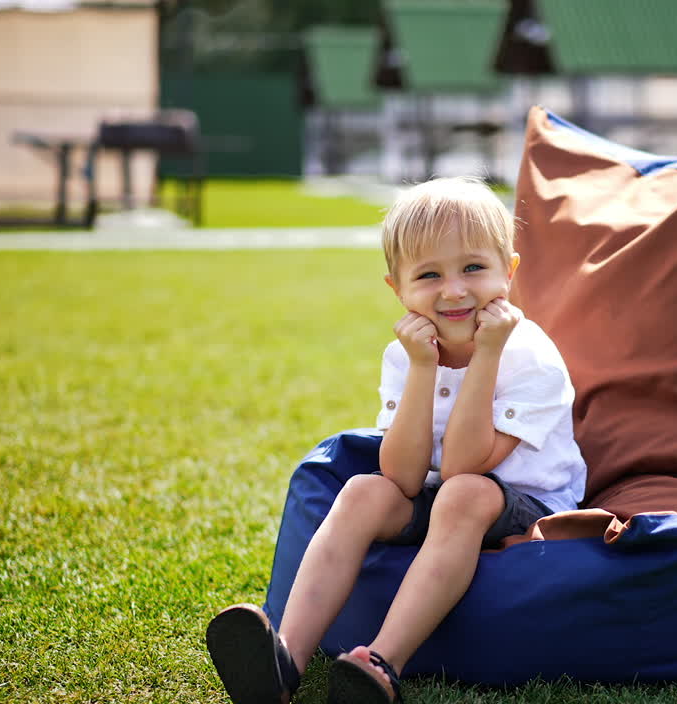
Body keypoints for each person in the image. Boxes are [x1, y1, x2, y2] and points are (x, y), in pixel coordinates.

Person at [205, 177, 587, 704]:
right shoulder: (405, 353)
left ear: (509, 271)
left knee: (463, 492)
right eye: (429, 275)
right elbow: (404, 477)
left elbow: (462, 467)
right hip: (444, 495)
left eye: (473, 268)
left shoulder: (528, 354)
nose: (453, 290)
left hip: (531, 501)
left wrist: (487, 355)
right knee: (365, 490)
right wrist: (423, 367)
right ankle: (284, 660)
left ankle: (381, 664)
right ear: (398, 289)